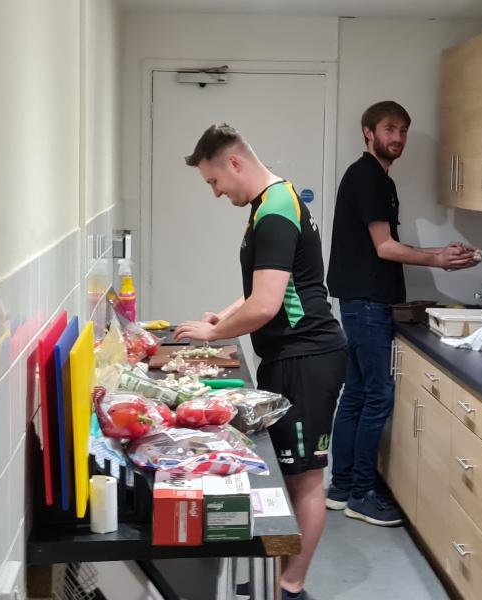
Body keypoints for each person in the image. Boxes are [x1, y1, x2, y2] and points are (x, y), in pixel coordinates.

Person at [174, 124, 347, 600]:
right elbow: (263, 288)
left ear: (234, 163)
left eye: (213, 181)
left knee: (306, 477)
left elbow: (267, 306)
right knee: (292, 474)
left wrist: (213, 334)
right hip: (293, 356)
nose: (215, 192)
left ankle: (291, 586)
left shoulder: (273, 213)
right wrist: (222, 316)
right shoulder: (275, 201)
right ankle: (280, 580)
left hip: (307, 357)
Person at [325, 101, 480, 526]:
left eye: (404, 130)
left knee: (357, 394)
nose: (397, 138)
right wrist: (438, 261)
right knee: (377, 396)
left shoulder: (373, 177)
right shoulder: (370, 178)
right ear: (368, 132)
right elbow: (385, 248)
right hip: (368, 304)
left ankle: (340, 487)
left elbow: (387, 245)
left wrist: (441, 253)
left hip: (360, 302)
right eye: (390, 129)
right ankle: (360, 494)